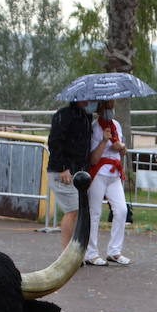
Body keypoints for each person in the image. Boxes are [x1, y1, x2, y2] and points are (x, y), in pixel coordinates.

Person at [84, 101, 132, 266]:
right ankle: (91, 252)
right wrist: (104, 141)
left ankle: (114, 251)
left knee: (121, 210)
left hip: (114, 173)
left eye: (112, 108)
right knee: (94, 213)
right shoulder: (94, 128)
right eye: (107, 108)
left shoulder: (116, 125)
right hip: (99, 173)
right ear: (100, 110)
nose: (110, 111)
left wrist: (121, 147)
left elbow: (123, 152)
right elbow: (93, 159)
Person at [46, 99, 94, 248]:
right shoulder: (64, 115)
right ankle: (66, 250)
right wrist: (63, 167)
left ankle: (72, 248)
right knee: (73, 210)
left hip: (77, 170)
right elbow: (55, 142)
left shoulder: (85, 117)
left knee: (76, 211)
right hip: (63, 171)